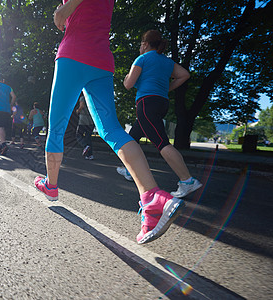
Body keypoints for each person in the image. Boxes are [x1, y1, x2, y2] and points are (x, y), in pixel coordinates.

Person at [34, 0, 185, 245]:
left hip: (73, 55)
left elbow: (60, 19)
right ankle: (152, 196)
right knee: (112, 129)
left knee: (57, 126)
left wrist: (61, 10)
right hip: (101, 60)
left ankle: (51, 185)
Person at [119, 29, 202, 198]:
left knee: (162, 143)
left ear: (145, 44)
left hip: (146, 103)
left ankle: (187, 181)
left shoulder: (142, 58)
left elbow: (128, 84)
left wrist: (127, 76)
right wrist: (166, 88)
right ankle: (130, 170)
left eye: (141, 44)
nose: (140, 47)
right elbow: (184, 75)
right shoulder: (166, 61)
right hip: (161, 102)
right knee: (132, 136)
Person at [75, 93, 95, 160]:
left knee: (78, 135)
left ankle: (85, 145)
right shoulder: (92, 97)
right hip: (91, 120)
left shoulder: (83, 97)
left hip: (83, 120)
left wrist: (78, 111)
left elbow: (82, 106)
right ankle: (90, 155)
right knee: (88, 137)